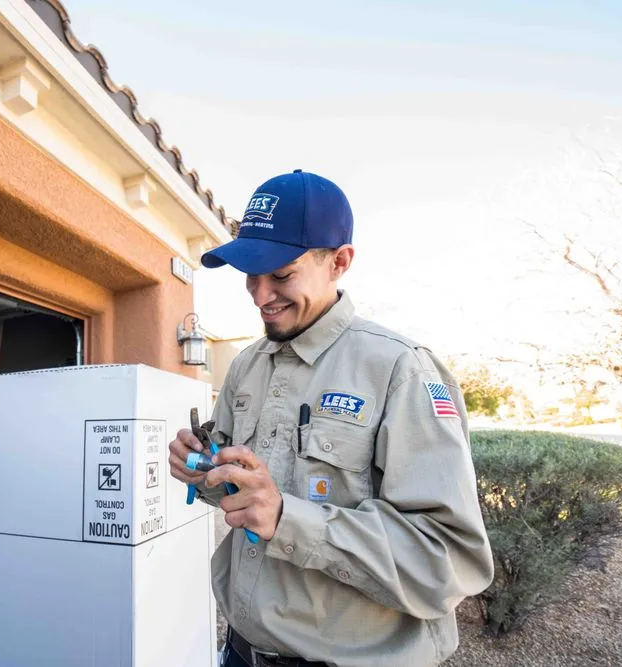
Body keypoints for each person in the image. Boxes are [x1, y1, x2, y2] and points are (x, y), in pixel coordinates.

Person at [169, 169, 494, 667]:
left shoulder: (400, 370)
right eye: (251, 275)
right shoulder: (245, 366)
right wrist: (204, 471)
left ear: (339, 262)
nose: (260, 296)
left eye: (282, 274)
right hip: (240, 652)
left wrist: (287, 519)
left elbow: (449, 560)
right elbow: (239, 494)